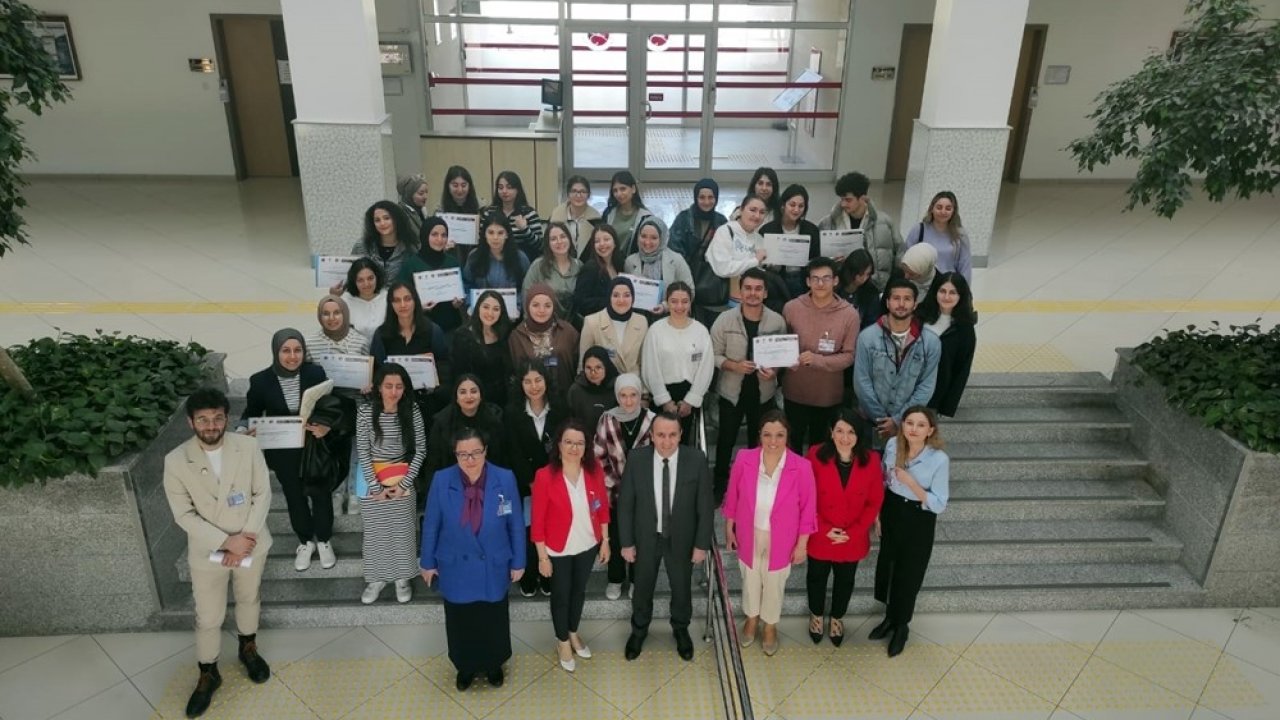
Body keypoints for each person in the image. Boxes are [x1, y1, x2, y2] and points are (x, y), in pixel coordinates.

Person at [164, 388, 272, 718]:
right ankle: (208, 672)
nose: (211, 425)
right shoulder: (176, 460)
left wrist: (245, 539)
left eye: (217, 418)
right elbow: (183, 514)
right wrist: (227, 543)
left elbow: (262, 493)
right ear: (190, 422)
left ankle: (248, 648)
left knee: (248, 597)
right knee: (208, 616)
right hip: (208, 551)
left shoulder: (248, 446)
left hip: (251, 543)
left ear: (226, 417)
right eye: (203, 420)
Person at [420, 427, 525, 691]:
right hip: (456, 563)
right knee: (461, 619)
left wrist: (519, 561)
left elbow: (515, 524)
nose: (470, 459)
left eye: (475, 452)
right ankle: (464, 666)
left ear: (485, 451)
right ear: (455, 455)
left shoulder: (505, 477)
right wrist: (427, 562)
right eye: (462, 454)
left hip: (494, 562)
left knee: (492, 617)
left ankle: (493, 664)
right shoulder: (442, 480)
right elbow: (431, 524)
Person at [617, 412, 714, 662]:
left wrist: (701, 545)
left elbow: (705, 506)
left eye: (672, 435)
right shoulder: (637, 459)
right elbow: (626, 504)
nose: (666, 441)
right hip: (646, 538)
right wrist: (626, 542)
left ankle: (681, 630)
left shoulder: (696, 459)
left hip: (681, 539)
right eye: (660, 435)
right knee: (642, 588)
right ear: (651, 435)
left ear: (681, 434)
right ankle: (639, 630)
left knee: (682, 588)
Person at [239, 330, 334, 572]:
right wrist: (243, 429)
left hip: (312, 444)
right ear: (276, 351)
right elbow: (250, 412)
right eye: (286, 351)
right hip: (282, 449)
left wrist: (325, 424)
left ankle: (323, 539)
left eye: (297, 350)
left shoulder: (315, 373)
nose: (292, 356)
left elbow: (328, 405)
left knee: (320, 492)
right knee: (294, 495)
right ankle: (304, 542)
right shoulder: (260, 381)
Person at [722, 411, 816, 656]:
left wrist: (802, 545)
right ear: (759, 435)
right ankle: (752, 618)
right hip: (748, 530)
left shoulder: (802, 467)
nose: (773, 440)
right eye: (767, 434)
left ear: (787, 436)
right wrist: (728, 528)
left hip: (782, 537)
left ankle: (770, 625)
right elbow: (732, 495)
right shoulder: (745, 458)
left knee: (774, 582)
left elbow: (808, 509)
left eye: (779, 435)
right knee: (750, 577)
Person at [868, 406, 949, 657]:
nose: (913, 429)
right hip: (892, 509)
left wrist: (912, 484)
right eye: (909, 423)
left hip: (919, 515)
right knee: (889, 565)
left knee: (909, 571)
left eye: (920, 425)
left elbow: (939, 503)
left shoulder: (938, 459)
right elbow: (883, 479)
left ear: (930, 430)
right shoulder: (893, 445)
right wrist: (878, 513)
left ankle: (902, 625)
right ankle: (889, 618)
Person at [531, 420, 610, 673]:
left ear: (586, 446)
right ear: (559, 445)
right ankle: (562, 641)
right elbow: (537, 520)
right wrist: (542, 557)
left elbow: (603, 507)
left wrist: (605, 541)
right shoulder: (545, 475)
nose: (574, 448)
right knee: (561, 595)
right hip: (558, 548)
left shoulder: (594, 469)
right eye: (569, 442)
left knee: (579, 591)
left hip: (587, 543)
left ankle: (573, 632)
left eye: (579, 443)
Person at [805, 410, 883, 647]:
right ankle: (816, 615)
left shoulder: (871, 460)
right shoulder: (815, 454)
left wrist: (855, 531)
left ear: (858, 435)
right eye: (839, 430)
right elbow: (806, 496)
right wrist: (823, 527)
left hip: (852, 536)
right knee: (816, 577)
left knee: (845, 580)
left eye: (851, 432)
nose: (845, 437)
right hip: (821, 533)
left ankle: (837, 618)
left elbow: (874, 500)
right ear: (831, 432)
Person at [709, 267, 787, 501]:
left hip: (763, 393)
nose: (752, 293)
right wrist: (734, 365)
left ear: (764, 293)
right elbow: (712, 354)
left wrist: (774, 371)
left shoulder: (776, 320)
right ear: (740, 291)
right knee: (725, 441)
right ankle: (720, 488)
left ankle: (756, 486)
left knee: (759, 442)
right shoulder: (725, 319)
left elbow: (783, 357)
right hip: (732, 391)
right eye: (748, 288)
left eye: (758, 289)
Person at [356, 363, 426, 604]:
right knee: (376, 533)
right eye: (388, 386)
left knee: (402, 532)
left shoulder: (412, 410)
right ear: (378, 387)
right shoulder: (365, 412)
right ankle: (376, 579)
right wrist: (376, 487)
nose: (393, 391)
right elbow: (363, 451)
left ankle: (402, 578)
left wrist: (405, 484)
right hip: (371, 477)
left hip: (402, 476)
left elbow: (420, 450)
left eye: (398, 386)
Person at [781, 258, 859, 452]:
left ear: (836, 281)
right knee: (793, 446)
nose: (820, 284)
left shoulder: (849, 315)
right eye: (815, 279)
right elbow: (781, 346)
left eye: (826, 278)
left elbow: (849, 356)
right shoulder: (792, 308)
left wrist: (817, 360)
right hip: (794, 392)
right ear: (807, 282)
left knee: (821, 451)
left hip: (828, 397)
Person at [506, 359, 569, 597]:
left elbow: (565, 444)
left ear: (546, 381)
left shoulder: (561, 408)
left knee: (552, 528)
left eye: (538, 380)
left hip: (555, 480)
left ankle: (548, 575)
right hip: (526, 484)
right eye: (528, 381)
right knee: (528, 529)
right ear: (520, 384)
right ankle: (530, 573)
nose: (534, 386)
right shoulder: (513, 412)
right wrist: (532, 482)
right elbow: (513, 451)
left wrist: (550, 482)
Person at [855, 278, 942, 442]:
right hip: (871, 422)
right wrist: (882, 420)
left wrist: (898, 420)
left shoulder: (930, 342)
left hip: (910, 426)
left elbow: (926, 386)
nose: (901, 304)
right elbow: (861, 382)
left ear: (915, 304)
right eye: (896, 298)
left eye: (907, 299)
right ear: (887, 302)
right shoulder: (867, 337)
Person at [594, 374, 653, 601]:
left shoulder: (652, 420)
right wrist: (619, 483)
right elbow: (598, 457)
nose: (628, 401)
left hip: (644, 495)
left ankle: (637, 581)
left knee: (640, 539)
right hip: (613, 493)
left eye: (633, 395)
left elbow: (659, 458)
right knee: (616, 537)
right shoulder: (606, 419)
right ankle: (616, 578)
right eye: (623, 395)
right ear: (617, 396)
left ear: (640, 395)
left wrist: (638, 486)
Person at [641, 282, 714, 442]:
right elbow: (650, 367)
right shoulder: (656, 330)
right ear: (667, 302)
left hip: (687, 399)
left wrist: (691, 400)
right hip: (661, 396)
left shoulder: (701, 331)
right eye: (674, 301)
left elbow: (706, 368)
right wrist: (664, 401)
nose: (679, 306)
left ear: (690, 302)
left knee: (684, 444)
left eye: (684, 301)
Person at [369, 281, 450, 419]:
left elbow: (445, 366)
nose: (402, 305)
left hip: (428, 403)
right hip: (393, 404)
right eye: (396, 300)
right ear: (390, 304)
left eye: (407, 299)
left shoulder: (432, 330)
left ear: (415, 301)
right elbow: (377, 370)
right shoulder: (382, 334)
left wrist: (434, 379)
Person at [819, 171, 904, 289]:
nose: (843, 204)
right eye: (841, 199)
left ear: (863, 198)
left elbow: (900, 253)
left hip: (876, 286)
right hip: (841, 287)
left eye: (848, 200)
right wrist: (833, 261)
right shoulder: (828, 223)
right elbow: (818, 259)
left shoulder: (885, 222)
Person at [917, 272, 977, 418]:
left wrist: (946, 406)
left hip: (935, 395)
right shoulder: (920, 315)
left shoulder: (965, 329)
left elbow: (961, 370)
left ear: (960, 296)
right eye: (942, 291)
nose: (946, 297)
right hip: (908, 387)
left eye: (953, 293)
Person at [426, 374, 507, 480]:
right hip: (452, 480)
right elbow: (434, 462)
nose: (469, 396)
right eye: (463, 392)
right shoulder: (442, 423)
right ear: (456, 398)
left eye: (473, 391)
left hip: (488, 479)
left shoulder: (494, 421)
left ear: (481, 395)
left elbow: (502, 460)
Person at [510, 284, 581, 395]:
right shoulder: (517, 336)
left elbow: (579, 366)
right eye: (536, 305)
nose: (541, 310)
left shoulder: (567, 331)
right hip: (531, 400)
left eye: (547, 306)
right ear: (527, 306)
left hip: (564, 396)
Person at [401, 216, 466, 334]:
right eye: (434, 234)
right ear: (425, 236)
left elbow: (461, 291)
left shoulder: (453, 262)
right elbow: (401, 296)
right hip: (420, 329)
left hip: (451, 327)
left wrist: (458, 303)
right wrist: (419, 307)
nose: (440, 239)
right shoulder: (411, 264)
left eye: (444, 235)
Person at [450, 289, 514, 408]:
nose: (490, 313)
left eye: (496, 309)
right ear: (478, 308)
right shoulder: (463, 336)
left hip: (502, 400)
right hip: (474, 399)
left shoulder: (505, 333)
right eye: (486, 307)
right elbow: (459, 375)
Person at [623, 216, 694, 318]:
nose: (647, 242)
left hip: (670, 318)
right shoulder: (630, 261)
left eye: (654, 238)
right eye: (643, 236)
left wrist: (665, 306)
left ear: (662, 238)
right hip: (638, 318)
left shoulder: (676, 260)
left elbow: (690, 292)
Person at [760, 184, 821, 298]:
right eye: (792, 205)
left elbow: (817, 259)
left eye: (801, 206)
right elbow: (760, 261)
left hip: (803, 280)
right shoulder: (767, 230)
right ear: (783, 205)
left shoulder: (811, 230)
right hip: (776, 280)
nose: (796, 210)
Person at [579, 276, 648, 376]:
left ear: (633, 298)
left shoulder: (641, 321)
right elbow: (583, 365)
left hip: (633, 386)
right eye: (616, 295)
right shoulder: (592, 322)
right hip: (603, 387)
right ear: (609, 297)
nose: (621, 300)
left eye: (626, 295)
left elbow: (644, 362)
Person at [707, 194, 769, 301]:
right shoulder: (725, 231)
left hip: (751, 300)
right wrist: (755, 261)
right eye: (752, 210)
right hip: (723, 300)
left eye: (762, 212)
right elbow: (723, 269)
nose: (757, 216)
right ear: (741, 210)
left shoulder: (759, 239)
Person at [905, 191, 972, 282]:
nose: (943, 212)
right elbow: (907, 259)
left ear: (953, 211)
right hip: (922, 284)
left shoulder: (960, 234)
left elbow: (965, 265)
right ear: (932, 209)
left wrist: (964, 291)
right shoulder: (919, 229)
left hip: (948, 285)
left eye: (948, 209)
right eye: (939, 207)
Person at [463, 212, 530, 300]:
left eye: (500, 233)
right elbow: (466, 284)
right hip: (481, 310)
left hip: (513, 311)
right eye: (491, 232)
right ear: (484, 235)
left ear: (507, 235)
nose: (495, 237)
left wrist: (518, 305)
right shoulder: (474, 256)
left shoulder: (520, 257)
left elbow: (527, 287)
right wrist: (470, 303)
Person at [523, 221, 582, 320]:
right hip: (543, 323)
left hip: (573, 327)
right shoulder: (538, 266)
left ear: (569, 239)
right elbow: (526, 296)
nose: (559, 241)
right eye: (553, 239)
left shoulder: (579, 266)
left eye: (563, 237)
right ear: (548, 243)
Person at [351, 200, 418, 283]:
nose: (382, 223)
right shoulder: (361, 246)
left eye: (386, 218)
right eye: (377, 220)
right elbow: (352, 276)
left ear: (396, 220)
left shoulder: (410, 248)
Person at [668, 178, 728, 266]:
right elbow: (674, 249)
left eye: (710, 197)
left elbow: (725, 252)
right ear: (696, 198)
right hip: (685, 270)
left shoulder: (721, 221)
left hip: (712, 274)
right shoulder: (683, 219)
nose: (706, 202)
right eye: (702, 197)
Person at [572, 224, 624, 318]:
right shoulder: (590, 268)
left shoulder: (620, 264)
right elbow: (580, 302)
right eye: (597, 241)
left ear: (615, 242)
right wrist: (610, 301)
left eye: (606, 239)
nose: (602, 244)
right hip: (597, 322)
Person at [491, 170, 545, 261]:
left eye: (509, 187)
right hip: (493, 260)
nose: (504, 191)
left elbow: (540, 245)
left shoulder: (529, 213)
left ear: (517, 190)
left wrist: (525, 229)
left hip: (522, 261)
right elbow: (482, 241)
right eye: (500, 188)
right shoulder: (489, 212)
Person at [602, 170, 654, 256]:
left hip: (634, 264)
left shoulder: (645, 217)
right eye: (615, 190)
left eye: (623, 189)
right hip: (610, 263)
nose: (619, 194)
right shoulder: (608, 213)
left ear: (633, 189)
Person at [548, 175, 601, 258]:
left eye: (583, 192)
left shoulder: (597, 220)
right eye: (574, 191)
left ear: (588, 195)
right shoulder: (555, 218)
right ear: (568, 194)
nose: (578, 195)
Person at [567, 345, 619, 432]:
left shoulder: (617, 388)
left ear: (606, 367)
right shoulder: (575, 391)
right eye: (588, 368)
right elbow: (570, 422)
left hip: (612, 440)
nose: (593, 372)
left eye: (598, 367)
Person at [307, 294, 370, 358]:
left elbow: (369, 367)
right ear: (320, 316)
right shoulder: (310, 344)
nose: (331, 318)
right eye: (326, 314)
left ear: (345, 314)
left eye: (336, 312)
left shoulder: (361, 342)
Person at [340, 258, 388, 341]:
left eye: (370, 278)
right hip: (354, 350)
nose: (366, 284)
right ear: (354, 282)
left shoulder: (388, 297)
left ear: (377, 277)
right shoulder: (345, 301)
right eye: (360, 280)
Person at [837, 249, 882, 332]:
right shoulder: (835, 286)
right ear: (851, 271)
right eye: (861, 274)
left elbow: (871, 323)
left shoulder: (871, 292)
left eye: (868, 274)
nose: (864, 278)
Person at [396, 173, 429, 238]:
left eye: (426, 192)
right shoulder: (400, 214)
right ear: (409, 194)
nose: (425, 197)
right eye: (421, 193)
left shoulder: (422, 211)